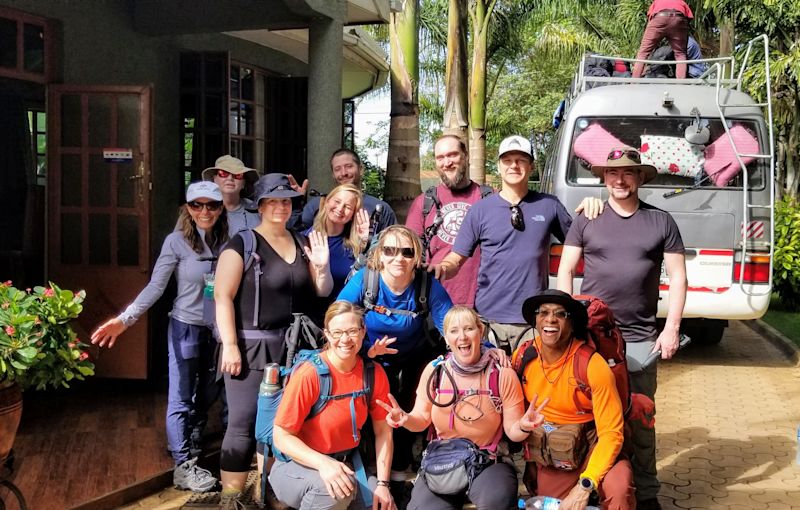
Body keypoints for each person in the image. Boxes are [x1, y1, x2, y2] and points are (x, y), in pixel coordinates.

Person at [557, 148, 687, 510]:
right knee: (592, 416)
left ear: (640, 178)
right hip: (593, 339)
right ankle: (596, 484)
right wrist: (569, 324)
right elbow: (566, 270)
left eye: (628, 173)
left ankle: (645, 493)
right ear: (603, 178)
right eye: (612, 173)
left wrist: (671, 329)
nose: (619, 179)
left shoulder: (661, 221)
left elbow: (678, 278)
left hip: (642, 339)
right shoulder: (586, 217)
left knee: (641, 419)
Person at [91, 181, 227, 493]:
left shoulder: (230, 240)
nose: (204, 211)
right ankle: (183, 465)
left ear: (221, 209)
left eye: (212, 205)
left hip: (218, 330)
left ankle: (192, 433)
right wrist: (125, 319)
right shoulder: (176, 242)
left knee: (209, 392)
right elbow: (156, 286)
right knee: (180, 395)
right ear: (188, 209)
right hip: (186, 327)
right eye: (197, 205)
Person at [213, 173, 334, 508]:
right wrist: (231, 345)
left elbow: (320, 293)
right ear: (261, 205)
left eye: (286, 200)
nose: (281, 207)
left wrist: (322, 269)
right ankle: (231, 499)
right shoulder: (242, 243)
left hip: (295, 348)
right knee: (242, 421)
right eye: (274, 201)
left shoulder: (300, 241)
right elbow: (223, 296)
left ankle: (268, 493)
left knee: (283, 423)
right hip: (251, 346)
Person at [377, 306, 546, 510]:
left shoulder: (502, 374)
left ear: (480, 332)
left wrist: (525, 426)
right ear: (446, 339)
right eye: (454, 331)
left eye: (468, 329)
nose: (462, 337)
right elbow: (420, 420)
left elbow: (513, 431)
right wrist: (405, 419)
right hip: (443, 460)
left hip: (489, 460)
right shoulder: (435, 372)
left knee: (497, 503)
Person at [337, 225, 453, 489]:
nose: (398, 258)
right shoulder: (366, 280)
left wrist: (485, 350)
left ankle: (400, 470)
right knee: (372, 411)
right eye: (389, 250)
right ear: (379, 254)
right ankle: (372, 470)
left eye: (407, 252)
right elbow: (338, 318)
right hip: (371, 355)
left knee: (409, 409)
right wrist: (365, 349)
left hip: (415, 355)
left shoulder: (426, 285)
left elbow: (452, 325)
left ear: (417, 257)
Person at [432, 136, 573, 352]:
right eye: (507, 161)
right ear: (499, 167)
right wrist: (442, 268)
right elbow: (456, 258)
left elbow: (578, 242)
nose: (514, 165)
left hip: (532, 320)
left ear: (531, 166)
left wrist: (590, 208)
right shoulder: (481, 210)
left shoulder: (549, 205)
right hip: (488, 322)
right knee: (493, 384)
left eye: (521, 160)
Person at [514, 290, 635, 510]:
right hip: (554, 451)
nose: (550, 319)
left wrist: (586, 485)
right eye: (543, 313)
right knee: (554, 505)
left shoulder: (593, 365)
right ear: (535, 320)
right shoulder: (523, 357)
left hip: (593, 445)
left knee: (619, 490)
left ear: (572, 325)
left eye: (561, 314)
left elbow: (611, 434)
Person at [270, 301, 396, 510]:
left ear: (363, 332)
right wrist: (323, 464)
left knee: (381, 505)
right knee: (334, 493)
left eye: (352, 331)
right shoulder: (309, 375)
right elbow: (281, 436)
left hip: (347, 465)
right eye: (337, 332)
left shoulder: (373, 374)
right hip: (296, 466)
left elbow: (384, 431)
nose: (345, 339)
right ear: (326, 334)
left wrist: (383, 484)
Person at [406, 135, 491, 307]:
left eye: (453, 155)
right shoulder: (424, 202)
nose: (447, 162)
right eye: (440, 157)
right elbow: (409, 253)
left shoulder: (489, 199)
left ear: (465, 156)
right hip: (435, 301)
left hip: (483, 301)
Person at [300, 149, 396, 234]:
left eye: (349, 166)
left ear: (361, 169)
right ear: (333, 174)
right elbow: (297, 235)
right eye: (337, 169)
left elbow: (392, 245)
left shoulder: (380, 208)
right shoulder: (316, 204)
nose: (343, 173)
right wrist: (295, 200)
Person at [308, 183, 370, 297]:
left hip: (345, 309)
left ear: (353, 215)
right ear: (327, 202)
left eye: (348, 207)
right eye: (337, 201)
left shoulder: (356, 246)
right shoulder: (306, 239)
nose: (340, 208)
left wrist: (366, 243)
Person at [632, 0, 694, 79]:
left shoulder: (657, 1)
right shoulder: (681, 1)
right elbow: (689, 18)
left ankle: (634, 83)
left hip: (659, 17)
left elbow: (650, 16)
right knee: (680, 55)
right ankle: (680, 85)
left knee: (643, 53)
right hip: (679, 18)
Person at [201, 155, 261, 236]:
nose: (230, 178)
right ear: (214, 179)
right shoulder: (198, 210)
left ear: (243, 183)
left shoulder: (258, 211)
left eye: (238, 175)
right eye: (223, 173)